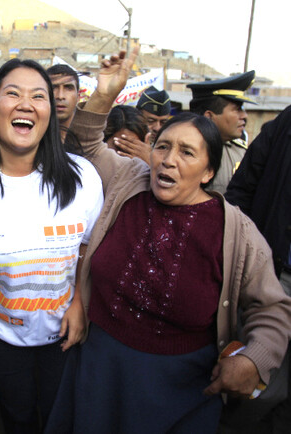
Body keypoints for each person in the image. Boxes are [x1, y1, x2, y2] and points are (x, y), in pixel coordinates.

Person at [45, 49, 291, 433]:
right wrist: (105, 93)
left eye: (186, 152)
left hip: (180, 390)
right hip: (98, 366)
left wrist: (253, 360)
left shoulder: (237, 231)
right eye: (163, 146)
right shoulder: (130, 180)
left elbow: (272, 308)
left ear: (209, 171)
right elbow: (86, 143)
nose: (168, 160)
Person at [0, 58, 104, 433]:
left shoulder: (83, 178)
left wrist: (80, 301)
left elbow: (88, 250)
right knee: (15, 416)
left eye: (38, 96)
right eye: (12, 94)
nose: (25, 104)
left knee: (60, 417)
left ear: (50, 112)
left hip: (65, 333)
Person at [225, 104, 291, 433]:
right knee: (261, 390)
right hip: (276, 277)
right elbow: (240, 193)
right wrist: (250, 256)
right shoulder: (283, 126)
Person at [188, 71, 255, 194]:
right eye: (237, 109)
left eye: (243, 109)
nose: (244, 116)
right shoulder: (185, 152)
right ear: (209, 117)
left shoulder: (240, 151)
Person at [46, 64, 79, 142]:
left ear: (78, 97)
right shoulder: (31, 140)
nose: (60, 96)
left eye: (68, 88)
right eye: (54, 88)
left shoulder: (89, 140)